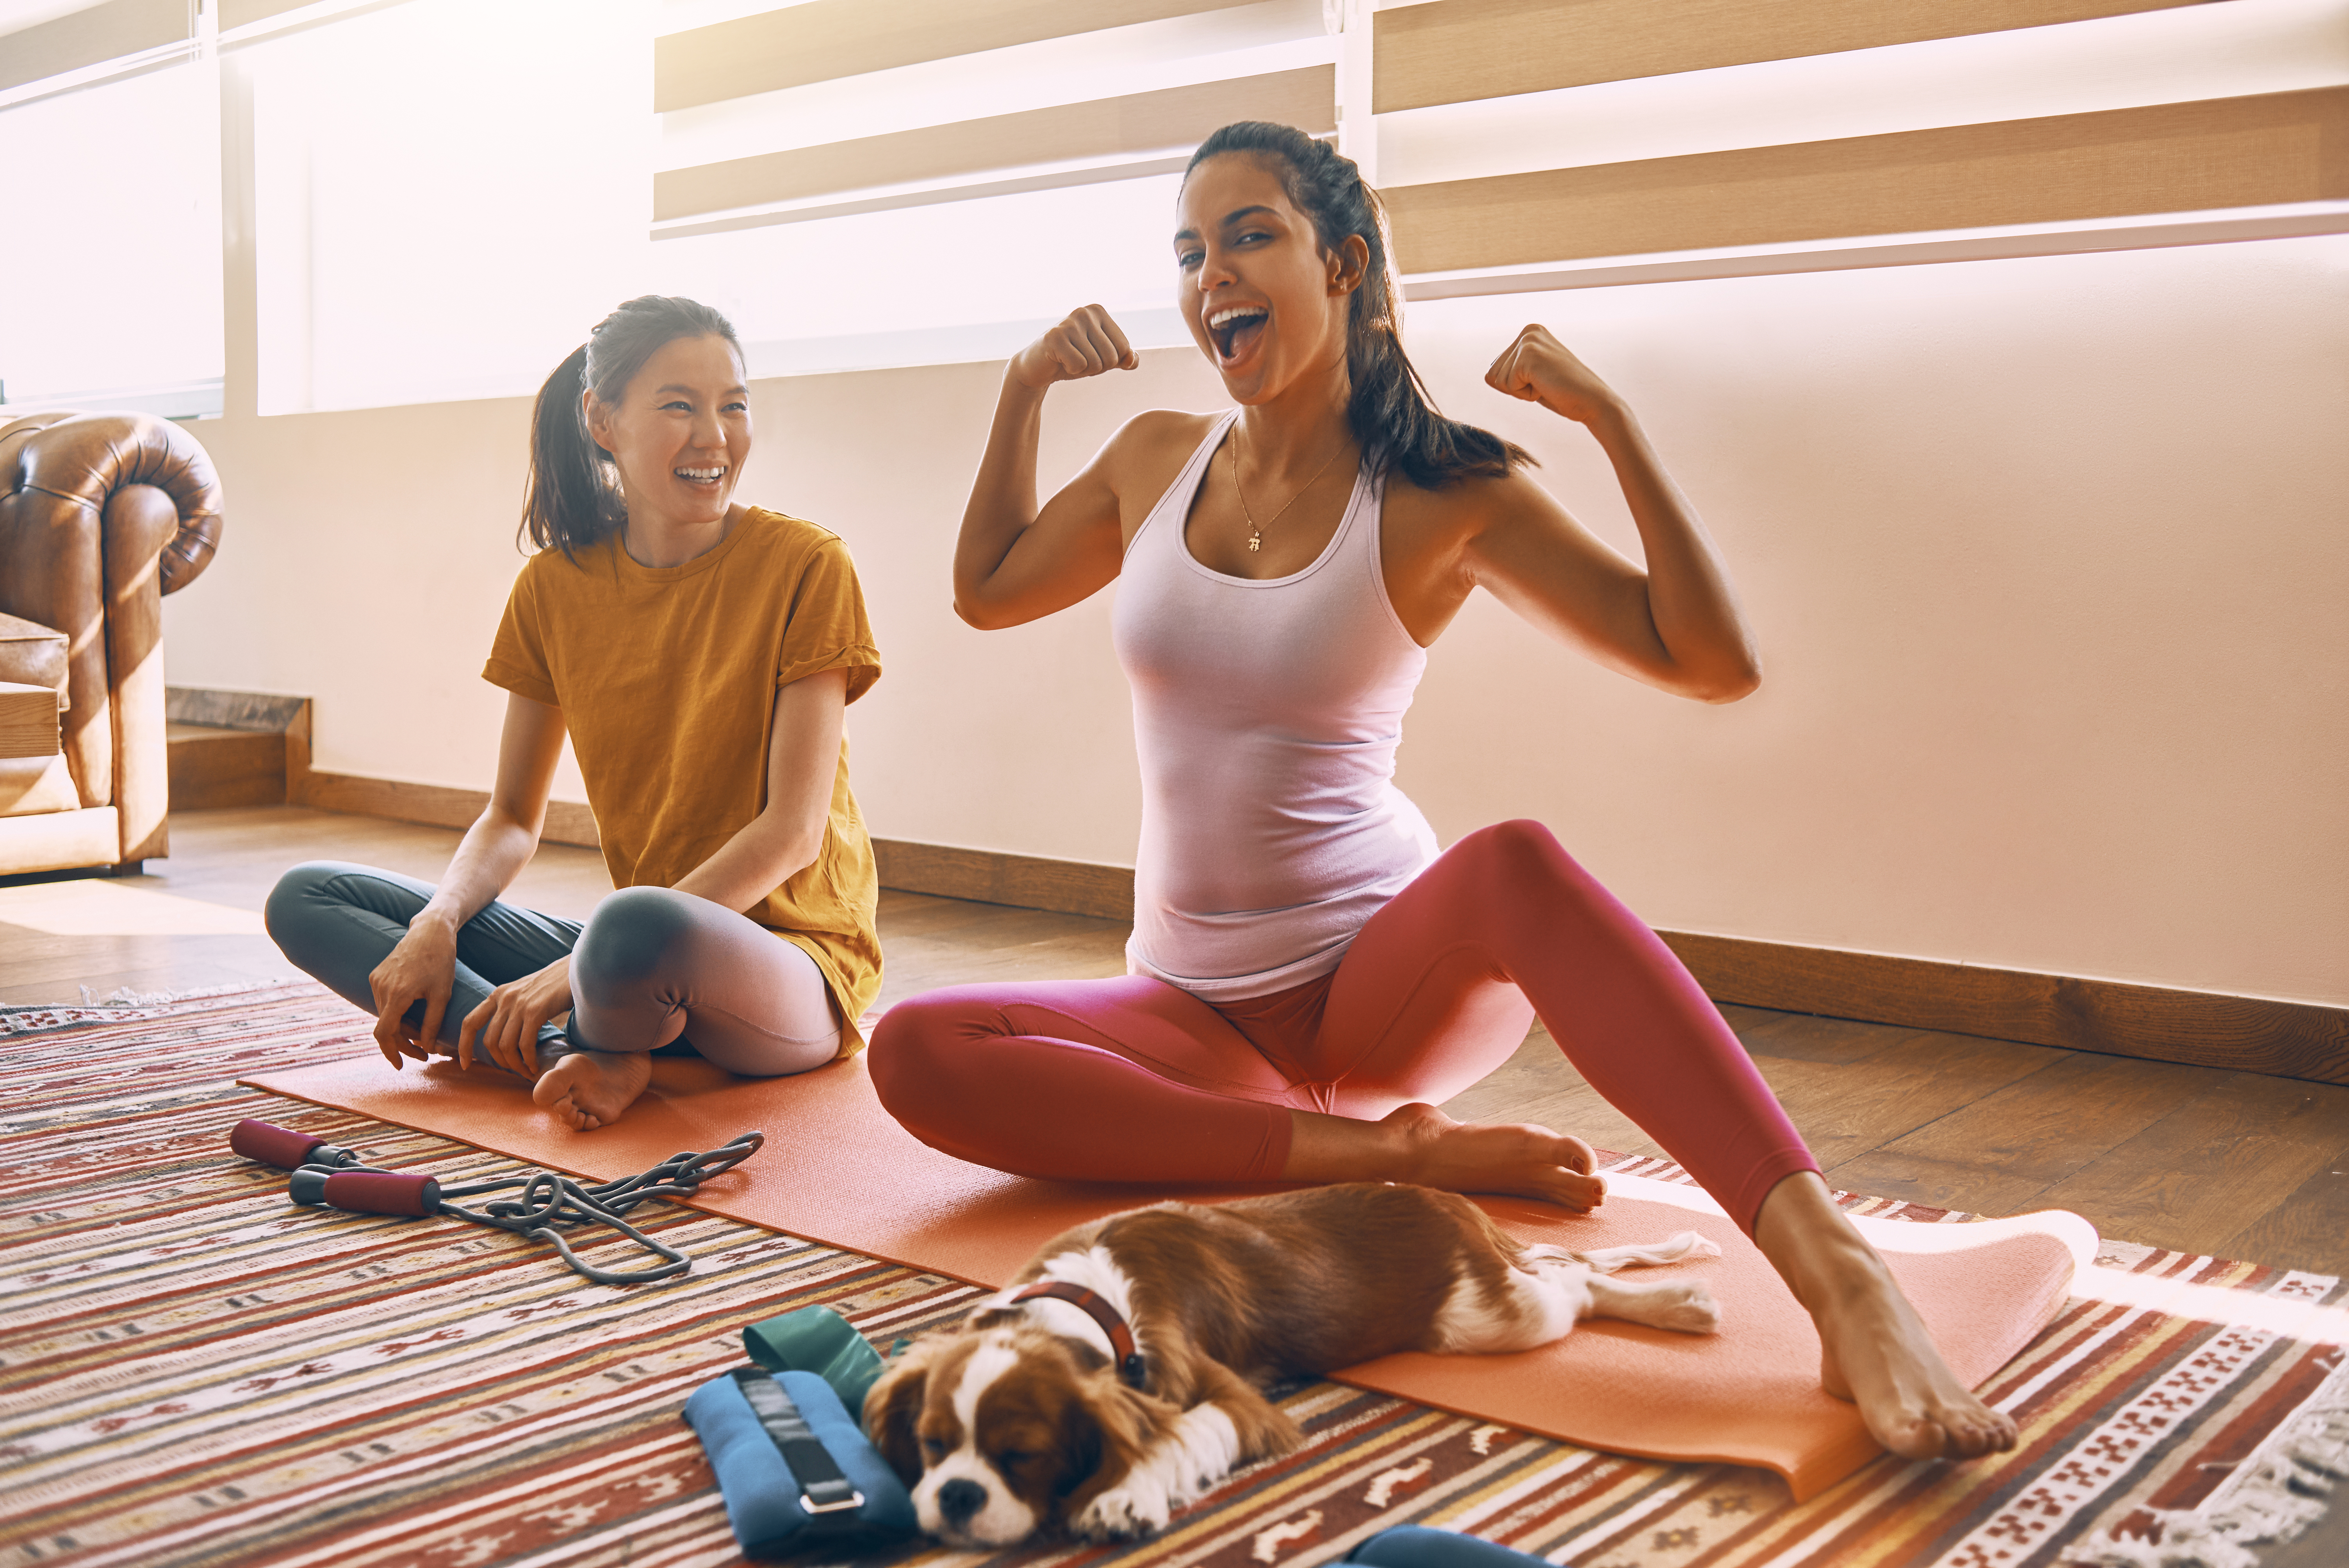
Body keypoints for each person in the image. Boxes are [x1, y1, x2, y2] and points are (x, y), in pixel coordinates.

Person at [868, 123, 2016, 1462]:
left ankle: (1843, 1278)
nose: (1209, 276)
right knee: (914, 1049)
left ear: (1341, 263)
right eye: (1189, 250)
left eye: (1250, 235)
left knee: (1515, 860)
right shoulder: (1151, 456)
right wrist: (1019, 387)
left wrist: (1615, 427)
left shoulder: (1438, 491)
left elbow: (1710, 664)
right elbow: (987, 589)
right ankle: (1399, 1161)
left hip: (1377, 990)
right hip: (1191, 1007)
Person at [266, 295, 883, 1132]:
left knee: (634, 921)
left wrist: (569, 971)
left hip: (790, 968)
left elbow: (792, 834)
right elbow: (511, 817)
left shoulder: (808, 565)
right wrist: (435, 923)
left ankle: (585, 1028)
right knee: (308, 896)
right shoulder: (553, 590)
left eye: (733, 405)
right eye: (679, 405)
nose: (715, 435)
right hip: (633, 961)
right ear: (602, 420)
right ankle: (576, 1058)